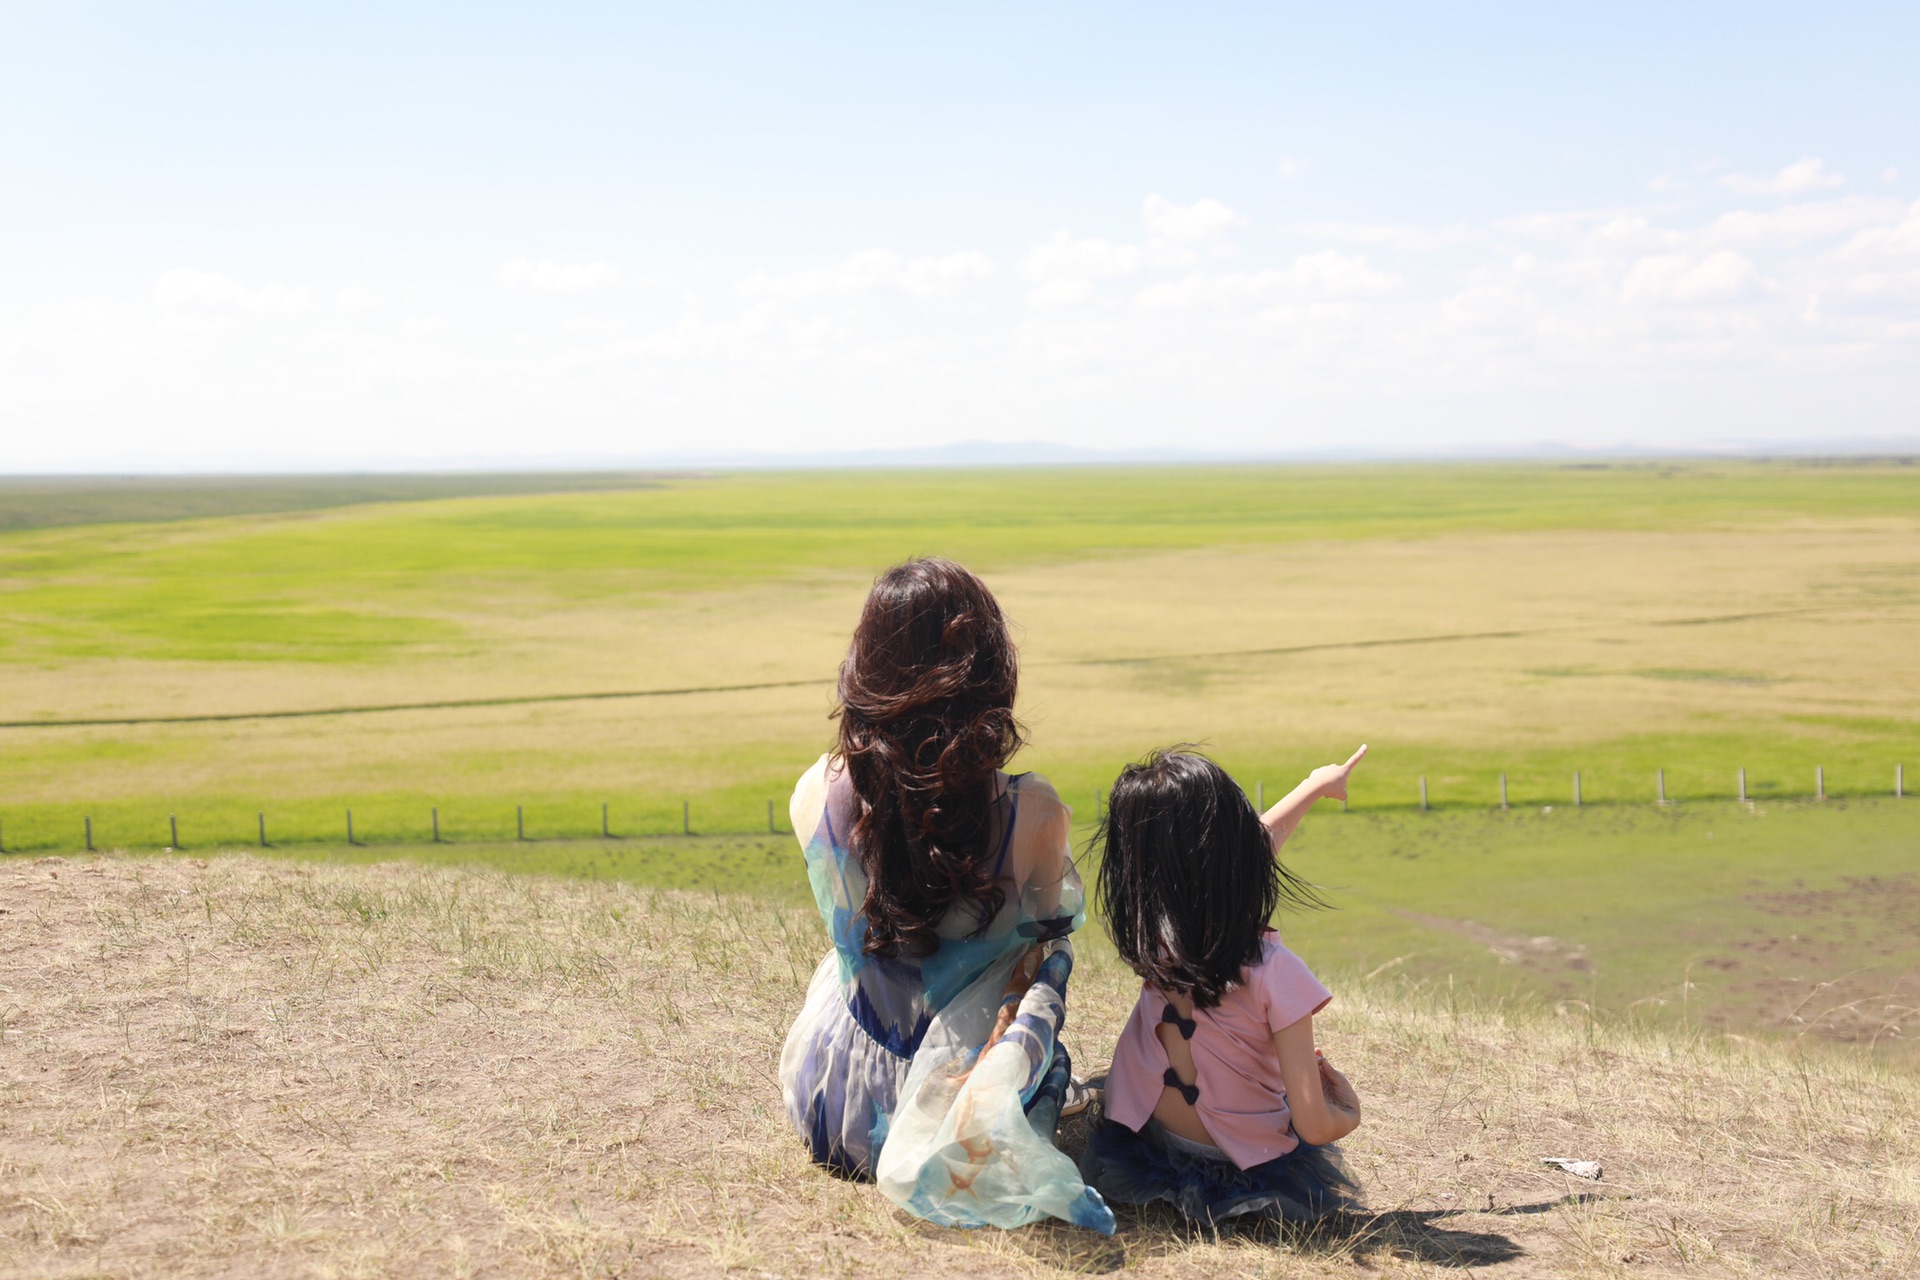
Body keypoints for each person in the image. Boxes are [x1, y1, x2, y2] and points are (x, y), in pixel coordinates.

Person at [779, 557, 1112, 1232]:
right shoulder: (1033, 812)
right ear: (989, 678)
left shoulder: (816, 790)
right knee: (1047, 956)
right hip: (957, 1125)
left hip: (835, 1101)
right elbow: (1049, 930)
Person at [1080, 745, 1369, 1226]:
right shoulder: (1277, 972)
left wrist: (1314, 785)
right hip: (1242, 1164)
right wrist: (1349, 1110)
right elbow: (1316, 1125)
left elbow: (1223, 863)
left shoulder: (1151, 935)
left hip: (1145, 1143)